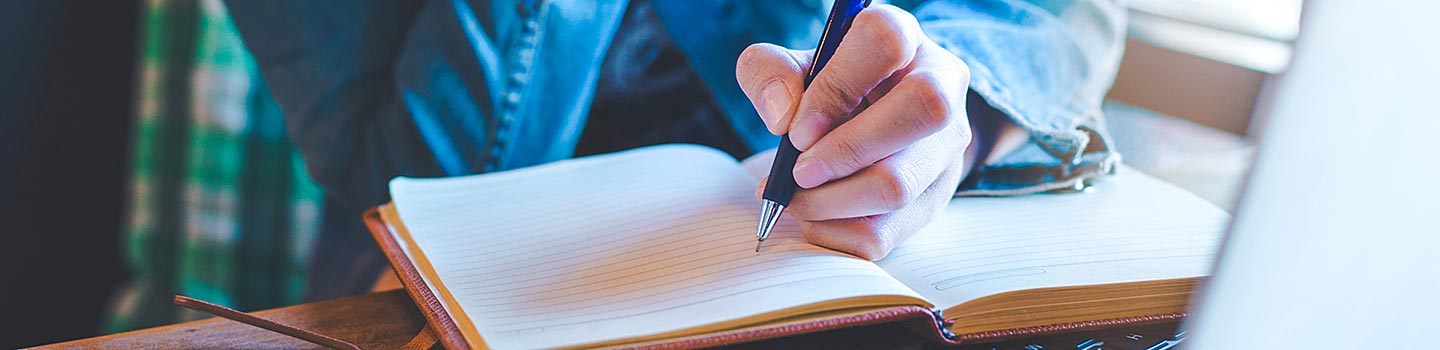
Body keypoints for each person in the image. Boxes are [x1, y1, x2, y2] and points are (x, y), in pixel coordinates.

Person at [224, 0, 1126, 299]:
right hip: (435, 280)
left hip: (835, 270)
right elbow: (404, 175)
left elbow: (1055, 15)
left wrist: (951, 113)